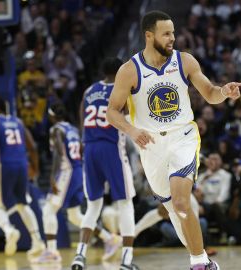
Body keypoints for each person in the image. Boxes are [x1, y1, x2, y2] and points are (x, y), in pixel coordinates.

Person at [106, 10, 241, 270]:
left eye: (173, 32)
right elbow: (112, 112)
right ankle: (204, 260)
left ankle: (198, 262)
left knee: (182, 202)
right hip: (151, 145)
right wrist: (132, 131)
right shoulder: (129, 70)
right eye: (166, 33)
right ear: (149, 36)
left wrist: (223, 92)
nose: (172, 38)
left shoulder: (185, 61)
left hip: (183, 137)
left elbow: (210, 93)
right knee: (173, 211)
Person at [71, 57, 138, 270]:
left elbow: (81, 116)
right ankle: (126, 260)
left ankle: (79, 256)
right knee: (125, 203)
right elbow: (129, 115)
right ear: (120, 71)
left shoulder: (89, 91)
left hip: (89, 147)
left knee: (93, 207)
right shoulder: (121, 90)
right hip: (111, 148)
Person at [34, 103, 121, 264]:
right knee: (75, 216)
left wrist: (53, 175)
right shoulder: (72, 129)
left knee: (48, 209)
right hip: (78, 171)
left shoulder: (56, 129)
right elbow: (81, 149)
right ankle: (109, 239)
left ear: (52, 116)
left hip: (66, 171)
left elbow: (59, 153)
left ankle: (51, 251)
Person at [0, 97, 44, 259]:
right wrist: (35, 167)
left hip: (4, 166)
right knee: (23, 204)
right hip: (22, 165)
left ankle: (9, 230)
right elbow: (33, 147)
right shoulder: (19, 122)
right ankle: (37, 241)